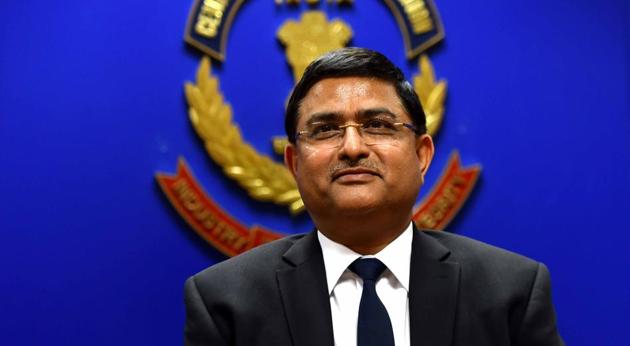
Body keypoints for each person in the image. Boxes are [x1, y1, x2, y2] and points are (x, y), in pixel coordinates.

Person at [184, 47, 563, 346]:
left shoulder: (510, 291)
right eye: (326, 129)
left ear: (421, 155)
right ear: (294, 163)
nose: (352, 147)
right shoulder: (225, 301)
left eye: (378, 125)